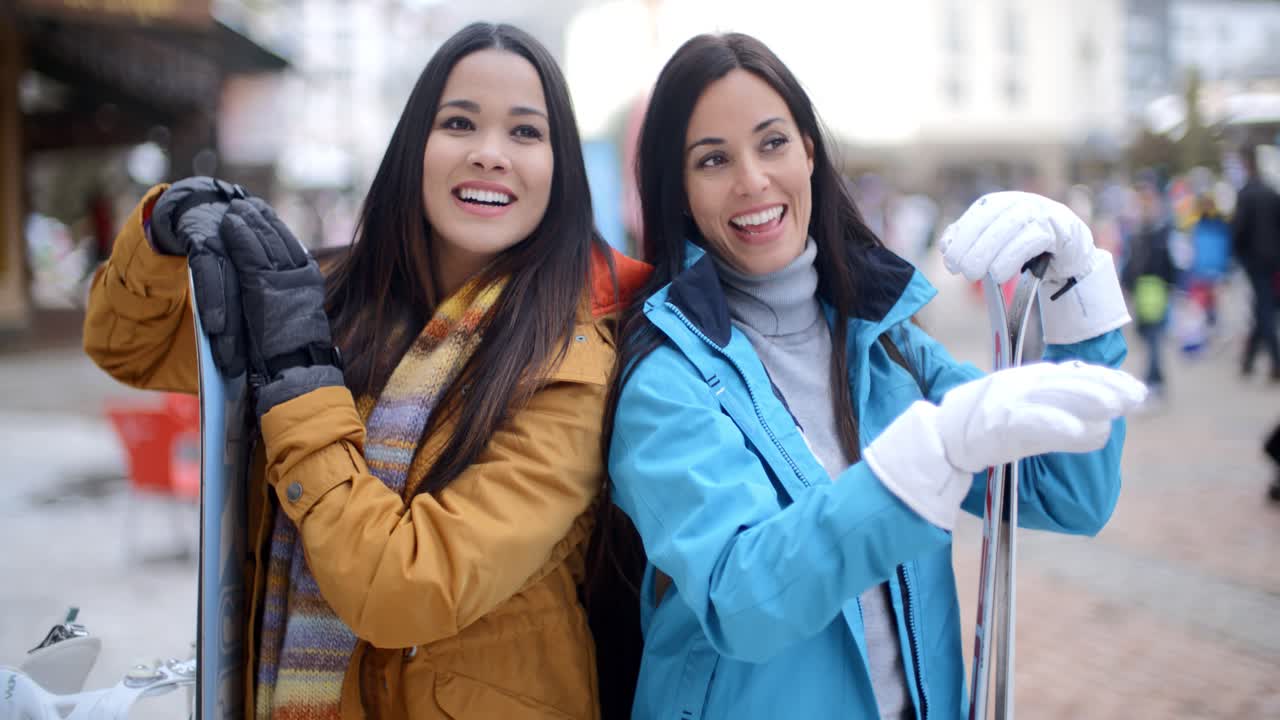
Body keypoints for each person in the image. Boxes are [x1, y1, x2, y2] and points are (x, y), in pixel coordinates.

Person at [84, 22, 647, 720]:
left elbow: (406, 588)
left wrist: (300, 380)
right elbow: (130, 349)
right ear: (414, 147)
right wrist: (162, 231)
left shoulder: (572, 363)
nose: (489, 152)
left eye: (526, 132)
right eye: (459, 122)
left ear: (561, 170)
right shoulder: (323, 298)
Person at [603, 33, 1145, 719]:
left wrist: (1076, 285)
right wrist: (918, 464)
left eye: (772, 143)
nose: (752, 180)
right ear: (679, 190)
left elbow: (1067, 493)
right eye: (713, 159)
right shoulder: (665, 378)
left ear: (808, 151)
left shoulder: (887, 342)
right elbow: (740, 599)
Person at [1122, 180, 1178, 400]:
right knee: (1149, 335)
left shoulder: (1156, 232)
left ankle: (1153, 380)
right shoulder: (1142, 232)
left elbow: (1162, 261)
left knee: (1153, 337)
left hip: (1153, 288)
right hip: (1147, 289)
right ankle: (1156, 379)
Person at [1231, 147, 1280, 381]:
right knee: (1264, 306)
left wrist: (1238, 255)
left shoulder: (1246, 195)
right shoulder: (1271, 192)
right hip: (1273, 260)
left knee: (1264, 309)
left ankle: (1274, 361)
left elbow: (1238, 231)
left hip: (1255, 261)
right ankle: (1249, 359)